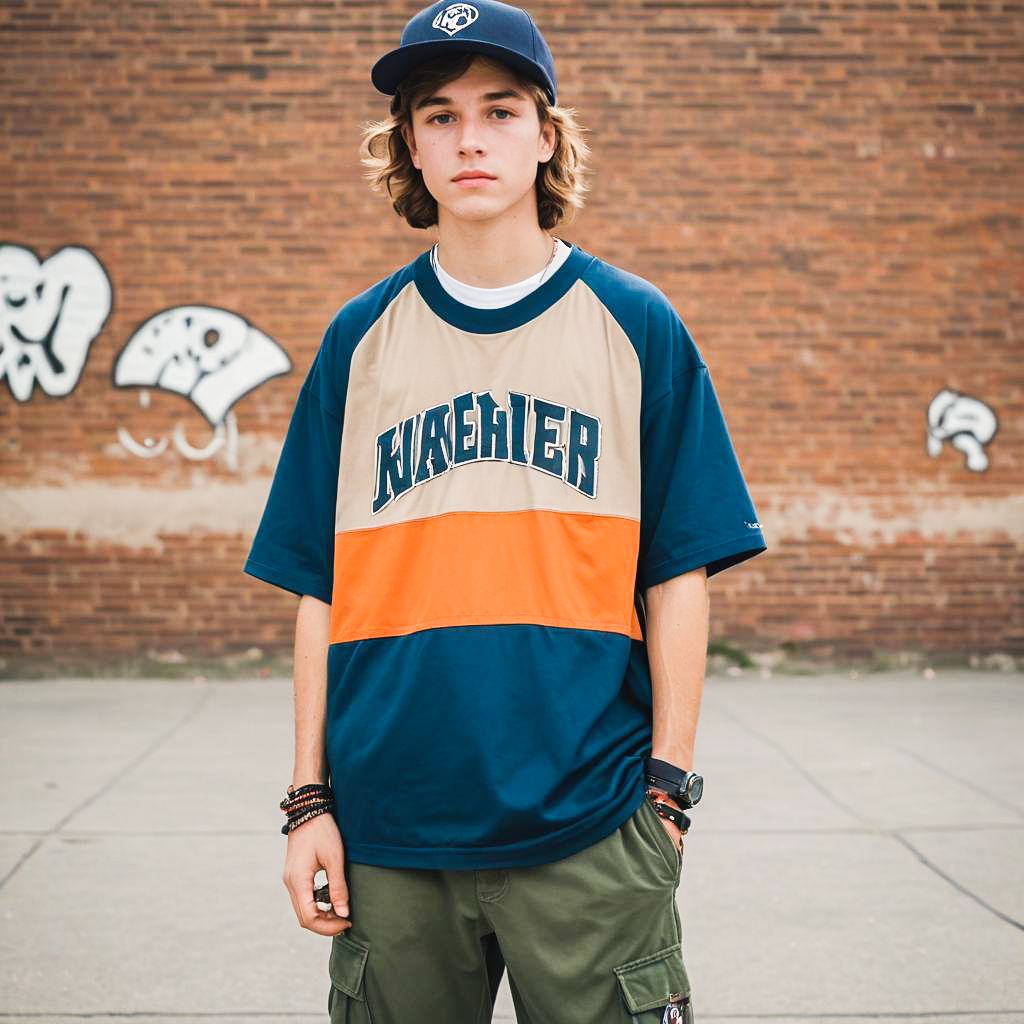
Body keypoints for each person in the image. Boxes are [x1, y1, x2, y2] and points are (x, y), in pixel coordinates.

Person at [243, 2, 768, 1020]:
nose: (469, 138)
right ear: (410, 146)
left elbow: (678, 573)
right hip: (389, 831)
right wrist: (308, 800)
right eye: (437, 116)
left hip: (591, 823)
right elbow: (319, 586)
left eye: (500, 109)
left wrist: (667, 791)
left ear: (545, 133)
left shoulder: (635, 325)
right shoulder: (360, 340)